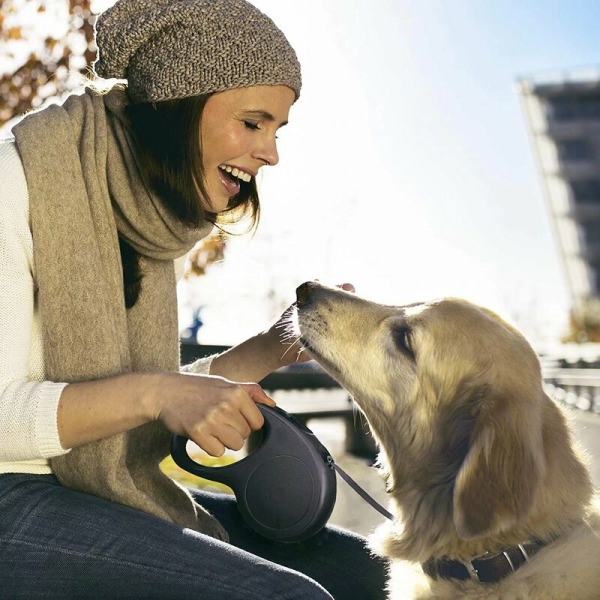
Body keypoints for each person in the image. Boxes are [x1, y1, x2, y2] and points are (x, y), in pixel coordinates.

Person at [0, 0, 388, 598]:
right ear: (180, 105)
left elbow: (156, 395)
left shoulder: (143, 213)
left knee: (362, 569)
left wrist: (272, 345)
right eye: (253, 123)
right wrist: (159, 393)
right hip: (10, 496)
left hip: (92, 485)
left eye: (277, 131)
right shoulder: (16, 180)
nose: (272, 154)